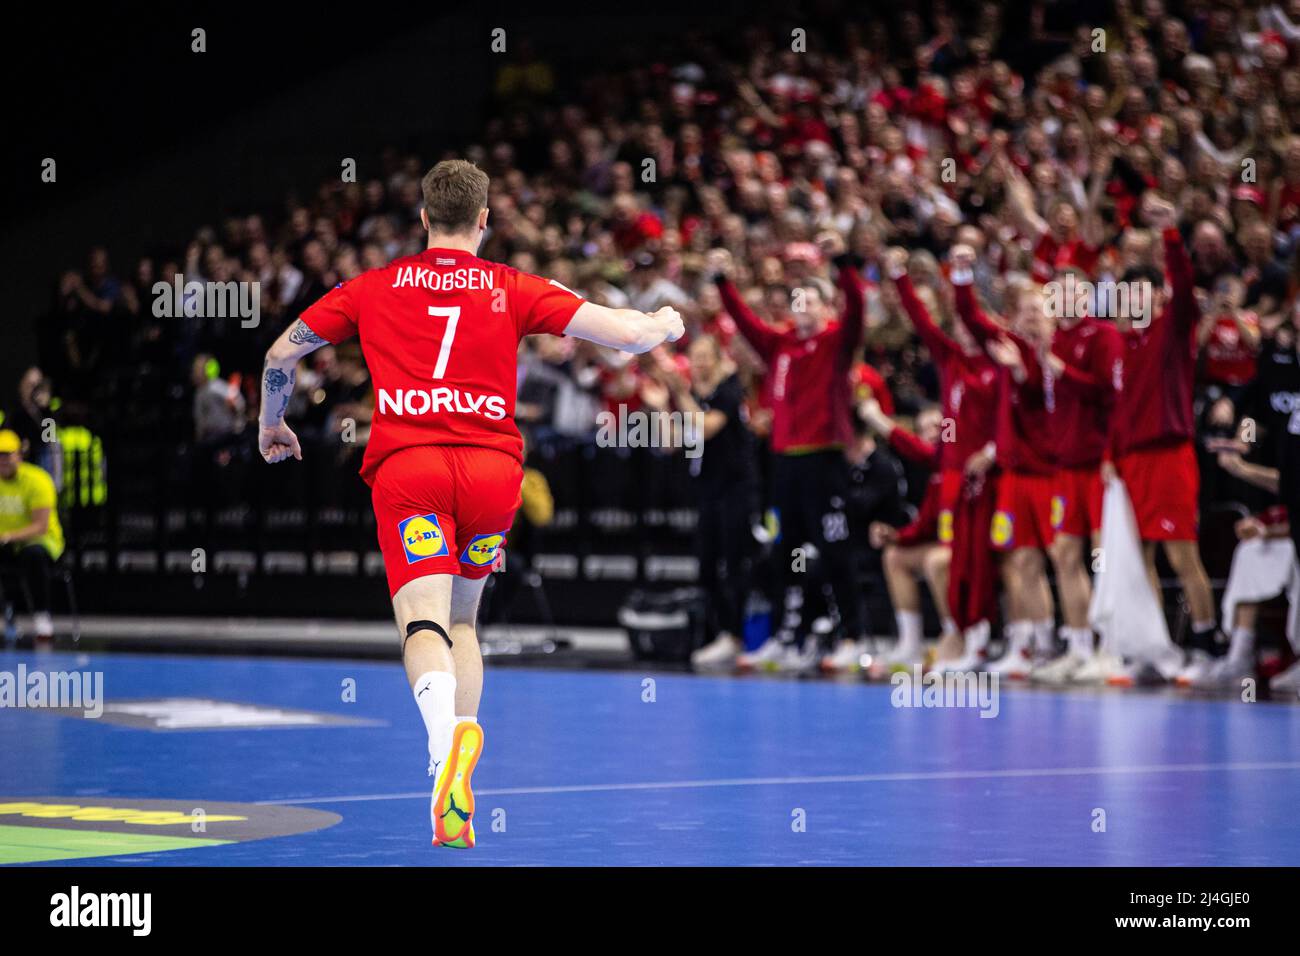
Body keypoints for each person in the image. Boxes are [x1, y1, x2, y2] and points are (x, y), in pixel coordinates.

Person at [256, 159, 682, 849]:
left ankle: (439, 750)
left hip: (411, 470)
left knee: (420, 622)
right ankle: (457, 774)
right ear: (485, 220)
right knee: (464, 623)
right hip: (492, 475)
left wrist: (271, 422)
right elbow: (626, 336)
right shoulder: (513, 285)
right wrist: (663, 321)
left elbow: (281, 353)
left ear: (423, 218)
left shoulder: (372, 286)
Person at [708, 236, 867, 673]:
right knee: (785, 553)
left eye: (809, 300)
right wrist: (722, 280)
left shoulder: (837, 342)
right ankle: (784, 635)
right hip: (784, 464)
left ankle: (853, 635)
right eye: (796, 300)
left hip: (825, 462)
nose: (800, 305)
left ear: (825, 307)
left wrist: (842, 263)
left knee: (834, 550)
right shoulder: (779, 346)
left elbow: (857, 310)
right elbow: (744, 322)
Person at [0, 429, 65, 646]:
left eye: (7, 455)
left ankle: (42, 617)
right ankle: (6, 614)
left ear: (19, 455)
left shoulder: (37, 480)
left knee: (33, 555)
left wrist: (9, 536)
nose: (3, 461)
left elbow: (40, 526)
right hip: (5, 543)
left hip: (40, 541)